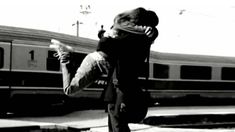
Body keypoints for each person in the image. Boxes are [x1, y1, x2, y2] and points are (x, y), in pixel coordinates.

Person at [50, 7, 158, 132]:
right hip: (97, 62)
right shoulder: (128, 30)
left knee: (115, 115)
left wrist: (153, 31)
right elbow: (108, 41)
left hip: (104, 65)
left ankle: (69, 58)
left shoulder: (128, 32)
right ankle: (66, 57)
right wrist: (149, 31)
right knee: (69, 90)